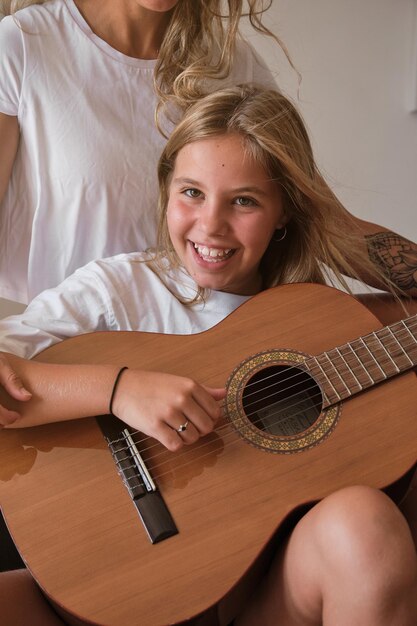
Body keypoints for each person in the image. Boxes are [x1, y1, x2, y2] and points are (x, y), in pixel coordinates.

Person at [0, 84, 416, 625]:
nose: (211, 225)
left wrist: (325, 220)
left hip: (255, 603)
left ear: (285, 211)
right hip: (95, 584)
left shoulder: (322, 323)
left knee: (365, 524)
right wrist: (120, 388)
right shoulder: (118, 289)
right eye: (191, 192)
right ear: (166, 190)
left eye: (244, 200)